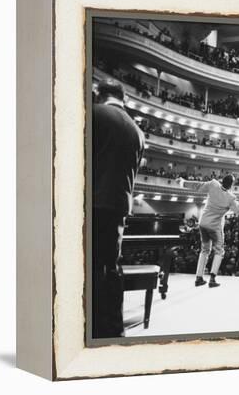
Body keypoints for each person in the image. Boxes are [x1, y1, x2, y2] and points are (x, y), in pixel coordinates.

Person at [92, 79, 144, 338]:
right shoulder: (137, 131)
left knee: (88, 267)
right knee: (109, 268)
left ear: (98, 94)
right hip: (118, 206)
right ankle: (111, 328)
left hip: (92, 202)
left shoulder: (95, 113)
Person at [177, 174, 239, 287]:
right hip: (214, 226)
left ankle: (199, 278)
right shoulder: (230, 198)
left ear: (222, 181)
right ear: (231, 185)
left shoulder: (213, 184)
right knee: (219, 251)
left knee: (204, 250)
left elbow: (197, 185)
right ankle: (212, 279)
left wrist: (183, 182)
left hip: (203, 223)